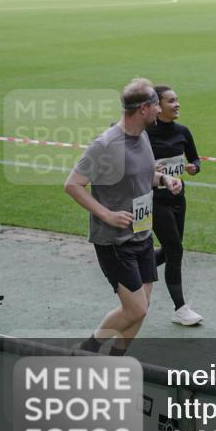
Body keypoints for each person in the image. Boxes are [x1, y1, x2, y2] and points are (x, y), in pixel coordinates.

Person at [65, 78, 182, 355]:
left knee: (141, 310)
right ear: (143, 108)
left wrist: (164, 179)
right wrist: (106, 214)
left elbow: (141, 176)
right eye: (156, 104)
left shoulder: (142, 136)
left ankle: (114, 359)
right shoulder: (106, 144)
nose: (159, 110)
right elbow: (72, 184)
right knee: (136, 307)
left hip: (142, 232)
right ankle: (86, 350)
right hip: (115, 241)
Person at [147, 85, 202, 326]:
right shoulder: (145, 134)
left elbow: (195, 159)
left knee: (171, 250)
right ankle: (180, 308)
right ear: (157, 106)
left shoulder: (183, 131)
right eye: (171, 101)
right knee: (175, 250)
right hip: (153, 199)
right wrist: (151, 171)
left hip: (178, 199)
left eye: (177, 99)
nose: (177, 104)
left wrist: (194, 168)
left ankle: (136, 270)